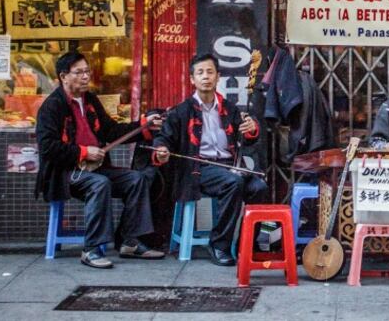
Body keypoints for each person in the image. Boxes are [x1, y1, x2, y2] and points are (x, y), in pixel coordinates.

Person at [35, 51, 165, 269]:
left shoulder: (91, 100)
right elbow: (48, 147)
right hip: (66, 174)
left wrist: (143, 125)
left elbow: (112, 131)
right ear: (63, 76)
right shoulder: (52, 106)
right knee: (99, 183)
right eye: (79, 72)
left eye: (87, 71)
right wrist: (84, 152)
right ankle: (92, 249)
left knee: (136, 179)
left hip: (95, 169)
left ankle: (130, 241)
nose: (85, 76)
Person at [152, 53, 266, 266]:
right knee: (233, 182)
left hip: (229, 166)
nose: (206, 77)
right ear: (192, 79)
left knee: (258, 186)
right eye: (200, 72)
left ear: (218, 77)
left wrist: (252, 130)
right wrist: (161, 150)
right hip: (198, 169)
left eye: (210, 72)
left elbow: (247, 142)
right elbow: (163, 137)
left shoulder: (230, 109)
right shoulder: (181, 111)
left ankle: (247, 244)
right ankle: (219, 245)